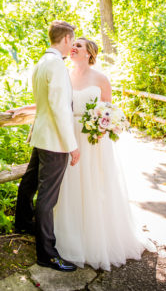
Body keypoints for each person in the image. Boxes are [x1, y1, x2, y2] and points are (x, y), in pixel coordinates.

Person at [11, 37, 156, 271]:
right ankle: (65, 234)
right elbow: (52, 103)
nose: (74, 48)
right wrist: (23, 109)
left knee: (93, 185)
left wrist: (102, 127)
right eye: (73, 44)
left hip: (92, 140)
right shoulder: (64, 73)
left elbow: (109, 110)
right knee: (66, 187)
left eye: (79, 45)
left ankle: (94, 237)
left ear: (90, 53)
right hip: (67, 136)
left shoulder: (101, 79)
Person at [13, 20, 81, 272]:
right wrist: (72, 145)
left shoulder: (42, 62)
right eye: (72, 41)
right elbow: (60, 109)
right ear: (65, 39)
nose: (73, 45)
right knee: (47, 198)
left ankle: (21, 223)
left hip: (42, 136)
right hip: (54, 140)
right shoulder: (56, 65)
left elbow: (44, 103)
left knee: (29, 183)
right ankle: (47, 254)